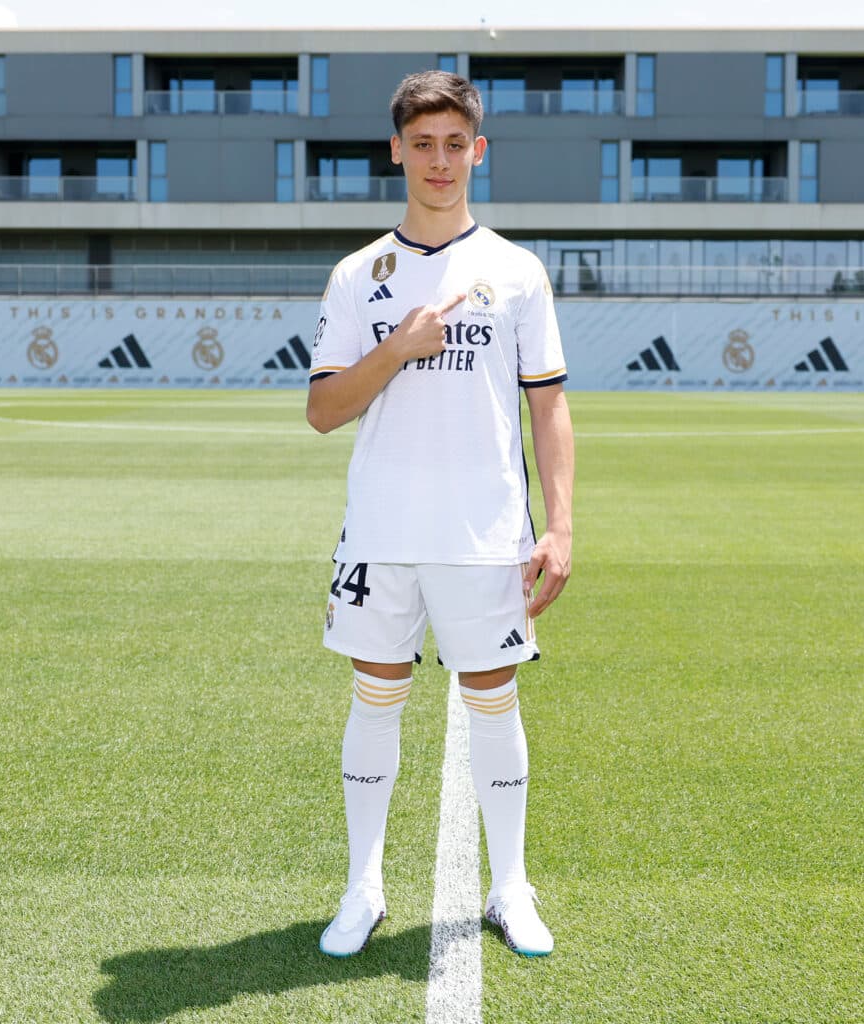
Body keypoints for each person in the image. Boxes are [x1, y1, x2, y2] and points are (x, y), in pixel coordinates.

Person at [306, 70, 574, 959]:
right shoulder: (359, 275)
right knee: (374, 701)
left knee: (492, 703)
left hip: (485, 531)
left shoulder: (516, 270)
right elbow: (324, 409)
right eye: (421, 143)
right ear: (396, 151)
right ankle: (362, 887)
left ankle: (509, 887)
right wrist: (402, 345)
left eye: (454, 143)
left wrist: (561, 525)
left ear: (477, 151)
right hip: (382, 532)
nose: (438, 160)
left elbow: (548, 408)